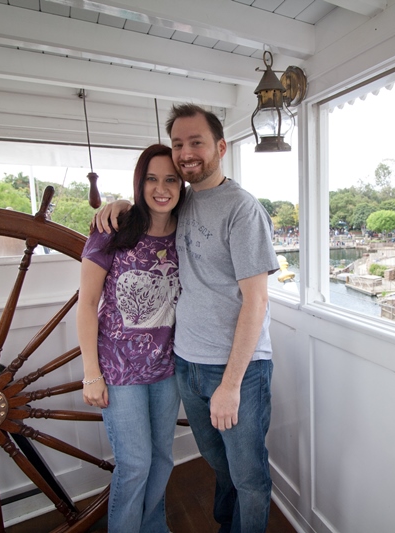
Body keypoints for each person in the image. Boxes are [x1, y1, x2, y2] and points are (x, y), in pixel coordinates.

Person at [96, 104, 278, 533]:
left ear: (220, 146)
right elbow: (152, 203)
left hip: (238, 369)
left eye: (196, 142)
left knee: (249, 474)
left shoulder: (243, 209)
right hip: (185, 363)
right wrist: (122, 201)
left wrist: (231, 385)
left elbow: (257, 302)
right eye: (179, 143)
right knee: (219, 464)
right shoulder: (184, 199)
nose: (185, 152)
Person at [77, 144, 185, 533]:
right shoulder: (112, 229)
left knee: (162, 459)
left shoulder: (186, 230)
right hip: (118, 370)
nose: (161, 188)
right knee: (135, 463)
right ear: (139, 184)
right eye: (152, 179)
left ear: (181, 184)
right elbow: (87, 304)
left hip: (167, 367)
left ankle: (154, 527)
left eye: (170, 179)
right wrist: (91, 373)